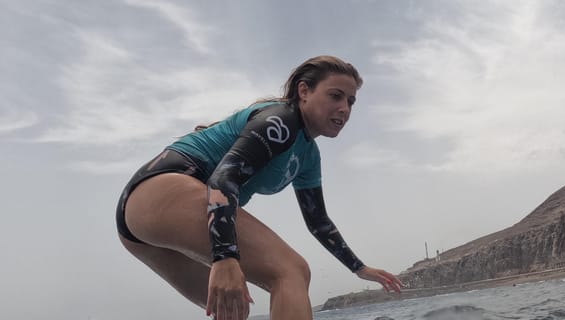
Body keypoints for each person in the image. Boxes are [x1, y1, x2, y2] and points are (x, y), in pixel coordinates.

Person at [116, 55, 404, 320]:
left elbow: (318, 222)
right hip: (159, 189)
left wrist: (359, 268)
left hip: (141, 223)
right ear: (304, 92)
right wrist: (225, 256)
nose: (344, 108)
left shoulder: (308, 156)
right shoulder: (281, 119)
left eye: (351, 101)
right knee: (291, 271)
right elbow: (222, 179)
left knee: (235, 304)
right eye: (335, 96)